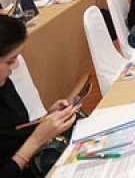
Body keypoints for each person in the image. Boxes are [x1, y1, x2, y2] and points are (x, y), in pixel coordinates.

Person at [0, 15, 80, 178]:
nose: (15, 66)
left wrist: (45, 119)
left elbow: (14, 131)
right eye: (10, 61)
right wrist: (36, 140)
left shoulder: (4, 84)